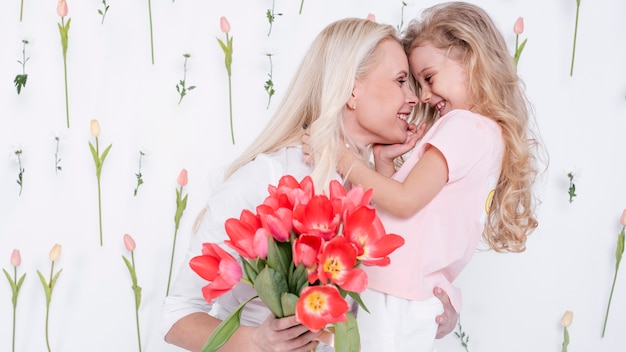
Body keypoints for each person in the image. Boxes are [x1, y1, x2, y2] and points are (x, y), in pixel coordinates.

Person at [160, 17, 457, 352]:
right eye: (401, 81)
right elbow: (177, 316)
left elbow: (384, 302)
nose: (413, 99)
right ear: (352, 89)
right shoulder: (267, 176)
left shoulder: (385, 190)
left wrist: (435, 314)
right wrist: (258, 341)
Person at [332, 3, 542, 351]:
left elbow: (404, 201)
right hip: (408, 294)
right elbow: (411, 218)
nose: (424, 95)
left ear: (471, 57)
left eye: (428, 78)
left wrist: (343, 159)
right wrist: (383, 164)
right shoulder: (487, 134)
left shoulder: (463, 125)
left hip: (397, 296)